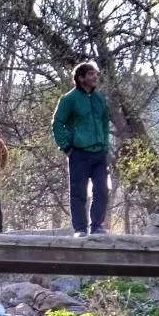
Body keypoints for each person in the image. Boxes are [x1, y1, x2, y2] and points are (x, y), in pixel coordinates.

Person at [50, 61, 110, 237]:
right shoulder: (68, 99)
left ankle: (97, 225)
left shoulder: (100, 99)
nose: (95, 77)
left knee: (102, 189)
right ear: (81, 78)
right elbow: (57, 123)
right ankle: (80, 229)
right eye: (91, 74)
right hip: (78, 153)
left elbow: (104, 122)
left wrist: (105, 145)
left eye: (95, 74)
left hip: (99, 153)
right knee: (78, 192)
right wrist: (67, 147)